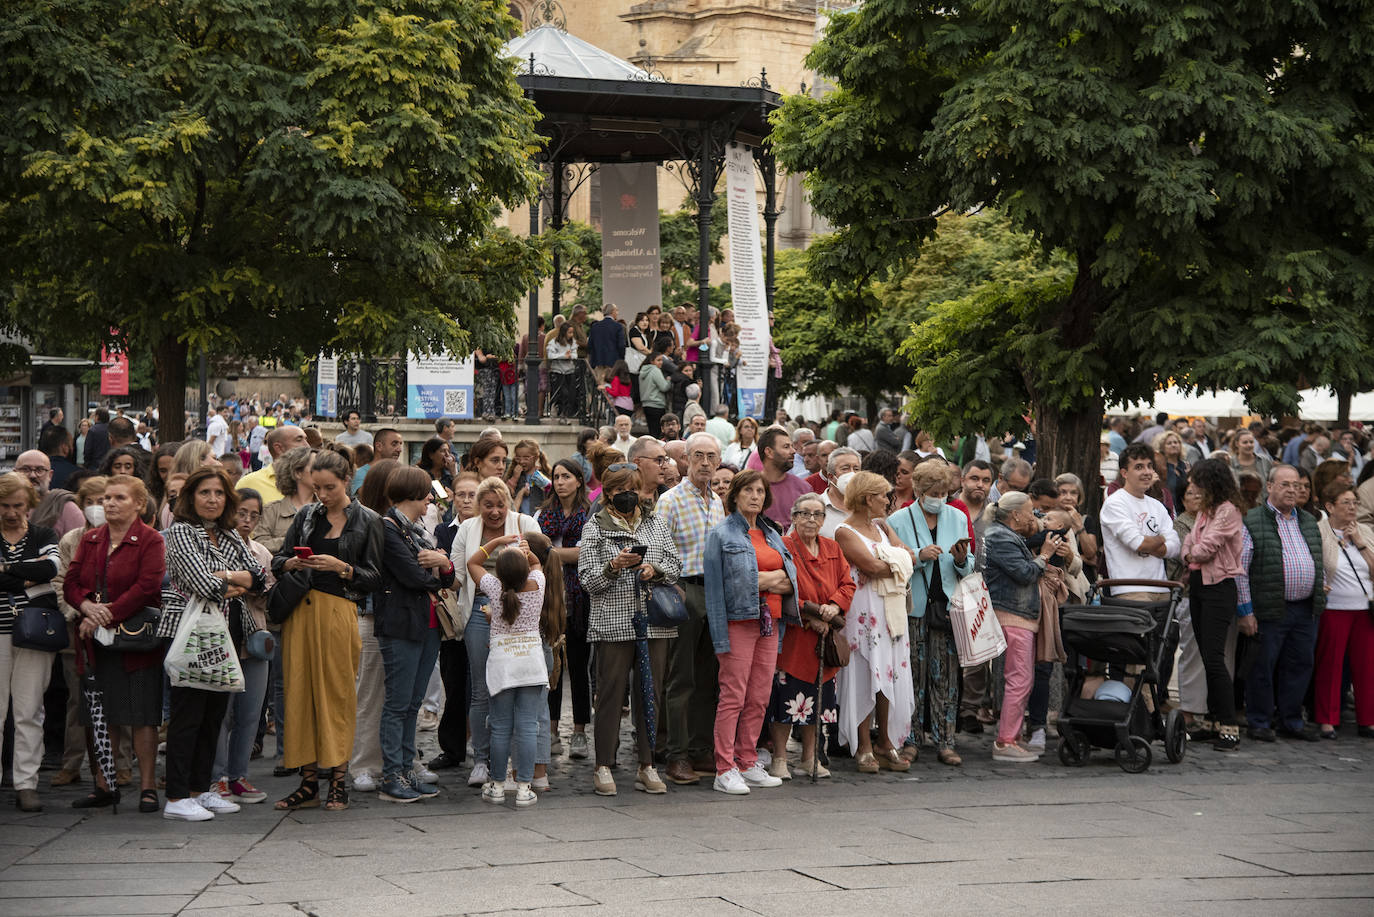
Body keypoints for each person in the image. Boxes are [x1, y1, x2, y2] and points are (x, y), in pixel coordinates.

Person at [271, 450, 383, 812]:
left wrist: (343, 568)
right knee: (299, 695)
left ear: (347, 481)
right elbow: (277, 560)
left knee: (337, 695)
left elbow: (375, 578)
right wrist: (289, 562)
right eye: (317, 487)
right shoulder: (306, 515)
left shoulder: (367, 520)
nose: (323, 494)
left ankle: (338, 779)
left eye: (330, 487)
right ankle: (308, 783)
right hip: (300, 613)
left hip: (339, 610)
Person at [156, 468, 266, 821]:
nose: (213, 499)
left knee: (213, 715)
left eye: (219, 493)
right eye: (205, 492)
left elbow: (260, 578)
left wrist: (230, 579)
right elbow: (200, 583)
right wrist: (235, 581)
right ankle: (175, 797)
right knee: (188, 714)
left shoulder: (229, 533)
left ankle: (199, 789)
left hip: (229, 629)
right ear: (191, 496)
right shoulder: (181, 532)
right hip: (189, 630)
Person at [577, 461, 681, 796]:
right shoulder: (595, 527)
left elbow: (676, 564)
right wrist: (613, 566)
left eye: (633, 489)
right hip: (613, 622)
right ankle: (603, 765)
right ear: (607, 493)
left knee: (650, 693)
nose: (629, 496)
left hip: (654, 621)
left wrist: (654, 569)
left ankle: (647, 765)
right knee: (610, 693)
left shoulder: (655, 522)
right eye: (621, 490)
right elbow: (587, 580)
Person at [63, 475, 165, 811]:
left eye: (119, 497)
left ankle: (147, 787)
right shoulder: (91, 539)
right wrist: (88, 608)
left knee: (141, 714)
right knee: (99, 713)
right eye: (106, 497)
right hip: (95, 641)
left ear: (138, 503)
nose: (109, 503)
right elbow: (72, 583)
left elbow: (148, 586)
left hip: (135, 642)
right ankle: (104, 784)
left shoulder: (150, 540)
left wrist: (106, 614)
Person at [448, 477, 540, 789]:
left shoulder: (524, 522)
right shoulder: (467, 529)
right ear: (478, 506)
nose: (495, 512)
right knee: (481, 687)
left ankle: (515, 762)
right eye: (488, 506)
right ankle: (482, 760)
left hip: (516, 607)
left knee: (515, 688)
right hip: (479, 606)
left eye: (500, 505)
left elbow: (541, 561)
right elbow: (460, 573)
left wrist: (525, 550)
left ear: (509, 504)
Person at [373, 466, 454, 803]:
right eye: (426, 494)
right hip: (401, 624)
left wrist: (442, 563)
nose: (430, 500)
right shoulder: (388, 528)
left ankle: (406, 769)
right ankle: (392, 774)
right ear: (413, 494)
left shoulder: (417, 530)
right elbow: (412, 576)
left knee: (412, 705)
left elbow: (445, 576)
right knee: (398, 703)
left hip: (427, 624)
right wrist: (441, 567)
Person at [888, 461, 974, 767]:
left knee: (947, 676)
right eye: (934, 492)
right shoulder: (899, 519)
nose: (940, 497)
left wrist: (963, 560)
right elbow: (893, 563)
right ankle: (909, 739)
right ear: (920, 492)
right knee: (912, 674)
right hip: (913, 607)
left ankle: (946, 740)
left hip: (947, 605)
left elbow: (970, 564)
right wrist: (919, 557)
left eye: (944, 492)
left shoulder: (956, 516)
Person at [1236, 464, 1327, 743]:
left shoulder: (1308, 522)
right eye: (1285, 484)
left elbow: (1317, 560)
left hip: (1304, 609)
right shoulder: (1252, 520)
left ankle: (1291, 720)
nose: (1292, 490)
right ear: (1270, 487)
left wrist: (1319, 586)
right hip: (1269, 607)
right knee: (1263, 667)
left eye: (1297, 485)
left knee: (1300, 665)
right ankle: (1260, 721)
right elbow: (1241, 570)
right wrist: (1246, 611)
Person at [833, 471, 916, 773]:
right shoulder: (844, 532)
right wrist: (892, 561)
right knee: (865, 672)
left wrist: (891, 562)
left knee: (890, 673)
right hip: (862, 612)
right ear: (868, 498)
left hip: (889, 611)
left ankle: (886, 740)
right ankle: (864, 743)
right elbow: (871, 565)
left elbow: (909, 559)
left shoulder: (882, 526)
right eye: (883, 495)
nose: (887, 500)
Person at [656, 433, 726, 785]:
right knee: (680, 676)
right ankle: (677, 754)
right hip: (682, 589)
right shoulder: (670, 500)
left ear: (718, 461)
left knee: (708, 676)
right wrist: (672, 587)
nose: (704, 462)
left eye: (711, 456)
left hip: (712, 591)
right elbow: (655, 550)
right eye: (697, 455)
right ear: (685, 459)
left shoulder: (717, 502)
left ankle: (701, 748)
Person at [768, 493, 855, 779]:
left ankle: (809, 757)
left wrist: (832, 608)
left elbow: (847, 583)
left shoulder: (831, 547)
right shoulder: (783, 546)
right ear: (793, 517)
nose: (811, 519)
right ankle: (779, 758)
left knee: (819, 703)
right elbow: (785, 588)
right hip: (796, 635)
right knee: (786, 700)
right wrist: (810, 616)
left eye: (817, 514)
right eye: (804, 514)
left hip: (825, 635)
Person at [983, 492, 1062, 762]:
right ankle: (1005, 742)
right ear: (1015, 514)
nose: (1034, 516)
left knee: (1022, 678)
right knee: (1019, 679)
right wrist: (1045, 556)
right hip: (1013, 615)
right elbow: (1025, 573)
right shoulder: (1001, 537)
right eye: (1030, 511)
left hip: (1019, 614)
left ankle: (1012, 736)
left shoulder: (1003, 534)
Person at [0, 473, 61, 812]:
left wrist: (6, 568)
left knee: (28, 710)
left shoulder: (43, 534)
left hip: (35, 631)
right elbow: (37, 572)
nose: (11, 512)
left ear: (30, 504)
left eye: (18, 506)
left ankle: (26, 782)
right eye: (5, 506)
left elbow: (50, 568)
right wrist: (25, 573)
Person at [209, 488, 272, 806]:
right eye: (241, 513)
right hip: (219, 636)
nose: (246, 520)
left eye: (253, 514)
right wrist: (245, 582)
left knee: (250, 712)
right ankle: (217, 776)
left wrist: (242, 584)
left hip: (255, 639)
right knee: (221, 712)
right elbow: (213, 584)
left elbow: (267, 591)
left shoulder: (261, 552)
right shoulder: (212, 544)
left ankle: (238, 775)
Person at [1180, 458, 1247, 752]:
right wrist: (1190, 554)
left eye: (1197, 481)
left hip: (1219, 587)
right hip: (1198, 586)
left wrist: (1191, 553)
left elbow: (1205, 549)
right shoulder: (1205, 512)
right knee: (1207, 656)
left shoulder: (1227, 511)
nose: (1192, 486)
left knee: (1216, 658)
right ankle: (1211, 721)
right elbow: (1188, 545)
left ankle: (1229, 726)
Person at [537, 459, 593, 762]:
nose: (560, 482)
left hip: (580, 597)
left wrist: (551, 553)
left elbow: (585, 553)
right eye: (556, 477)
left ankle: (580, 731)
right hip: (550, 599)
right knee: (552, 667)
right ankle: (553, 730)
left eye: (566, 476)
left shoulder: (589, 514)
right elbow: (534, 550)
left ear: (578, 481)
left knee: (580, 667)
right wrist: (562, 555)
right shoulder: (544, 514)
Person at [1314, 480, 1374, 739]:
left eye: (1355, 502)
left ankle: (1368, 719)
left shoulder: (1366, 531)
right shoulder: (1319, 530)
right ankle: (1327, 719)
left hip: (1365, 609)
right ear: (1330, 506)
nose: (1352, 507)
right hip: (1334, 608)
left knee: (1367, 667)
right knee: (1331, 665)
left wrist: (1360, 542)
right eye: (1346, 503)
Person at [1100, 444, 1181, 601]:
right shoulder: (1115, 503)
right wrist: (1163, 538)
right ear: (1124, 473)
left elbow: (1176, 547)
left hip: (1161, 587)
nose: (1146, 472)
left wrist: (1151, 543)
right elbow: (1138, 544)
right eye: (1139, 467)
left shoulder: (1156, 505)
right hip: (1130, 588)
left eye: (1150, 466)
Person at [253, 447, 315, 554]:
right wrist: (294, 539)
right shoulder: (272, 510)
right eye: (316, 468)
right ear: (298, 473)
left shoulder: (328, 509)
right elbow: (258, 547)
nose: (322, 472)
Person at [756, 427, 811, 531]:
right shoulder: (749, 488)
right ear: (769, 452)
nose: (793, 451)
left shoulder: (804, 488)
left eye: (791, 446)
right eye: (786, 447)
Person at [238, 425, 309, 504]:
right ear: (278, 448)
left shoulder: (313, 481)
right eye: (299, 440)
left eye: (306, 439)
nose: (307, 445)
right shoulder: (249, 483)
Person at [818, 447, 863, 538]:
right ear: (830, 476)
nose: (852, 474)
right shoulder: (814, 507)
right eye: (845, 469)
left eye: (856, 469)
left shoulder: (869, 505)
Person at [506, 439, 550, 518]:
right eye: (518, 458)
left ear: (535, 458)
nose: (522, 461)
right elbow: (507, 494)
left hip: (538, 519)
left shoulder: (542, 476)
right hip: (519, 519)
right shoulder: (514, 475)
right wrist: (515, 477)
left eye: (526, 458)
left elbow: (551, 495)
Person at [588, 303, 628, 384]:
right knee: (613, 387)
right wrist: (622, 359)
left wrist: (593, 361)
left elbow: (590, 345)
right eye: (617, 310)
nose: (618, 313)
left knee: (601, 386)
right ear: (612, 311)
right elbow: (621, 345)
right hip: (614, 363)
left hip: (599, 362)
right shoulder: (618, 326)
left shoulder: (595, 326)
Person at [1230, 430, 1273, 499]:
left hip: (1263, 504)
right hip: (1240, 505)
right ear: (1237, 444)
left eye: (1251, 442)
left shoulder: (1264, 460)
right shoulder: (1230, 463)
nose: (1249, 445)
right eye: (1245, 442)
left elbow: (1272, 482)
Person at [638, 352, 671, 437]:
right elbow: (664, 387)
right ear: (652, 361)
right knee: (658, 432)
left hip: (646, 404)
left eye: (661, 360)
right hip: (657, 404)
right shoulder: (655, 370)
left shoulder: (643, 371)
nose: (661, 362)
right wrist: (669, 380)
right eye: (658, 360)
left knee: (652, 431)